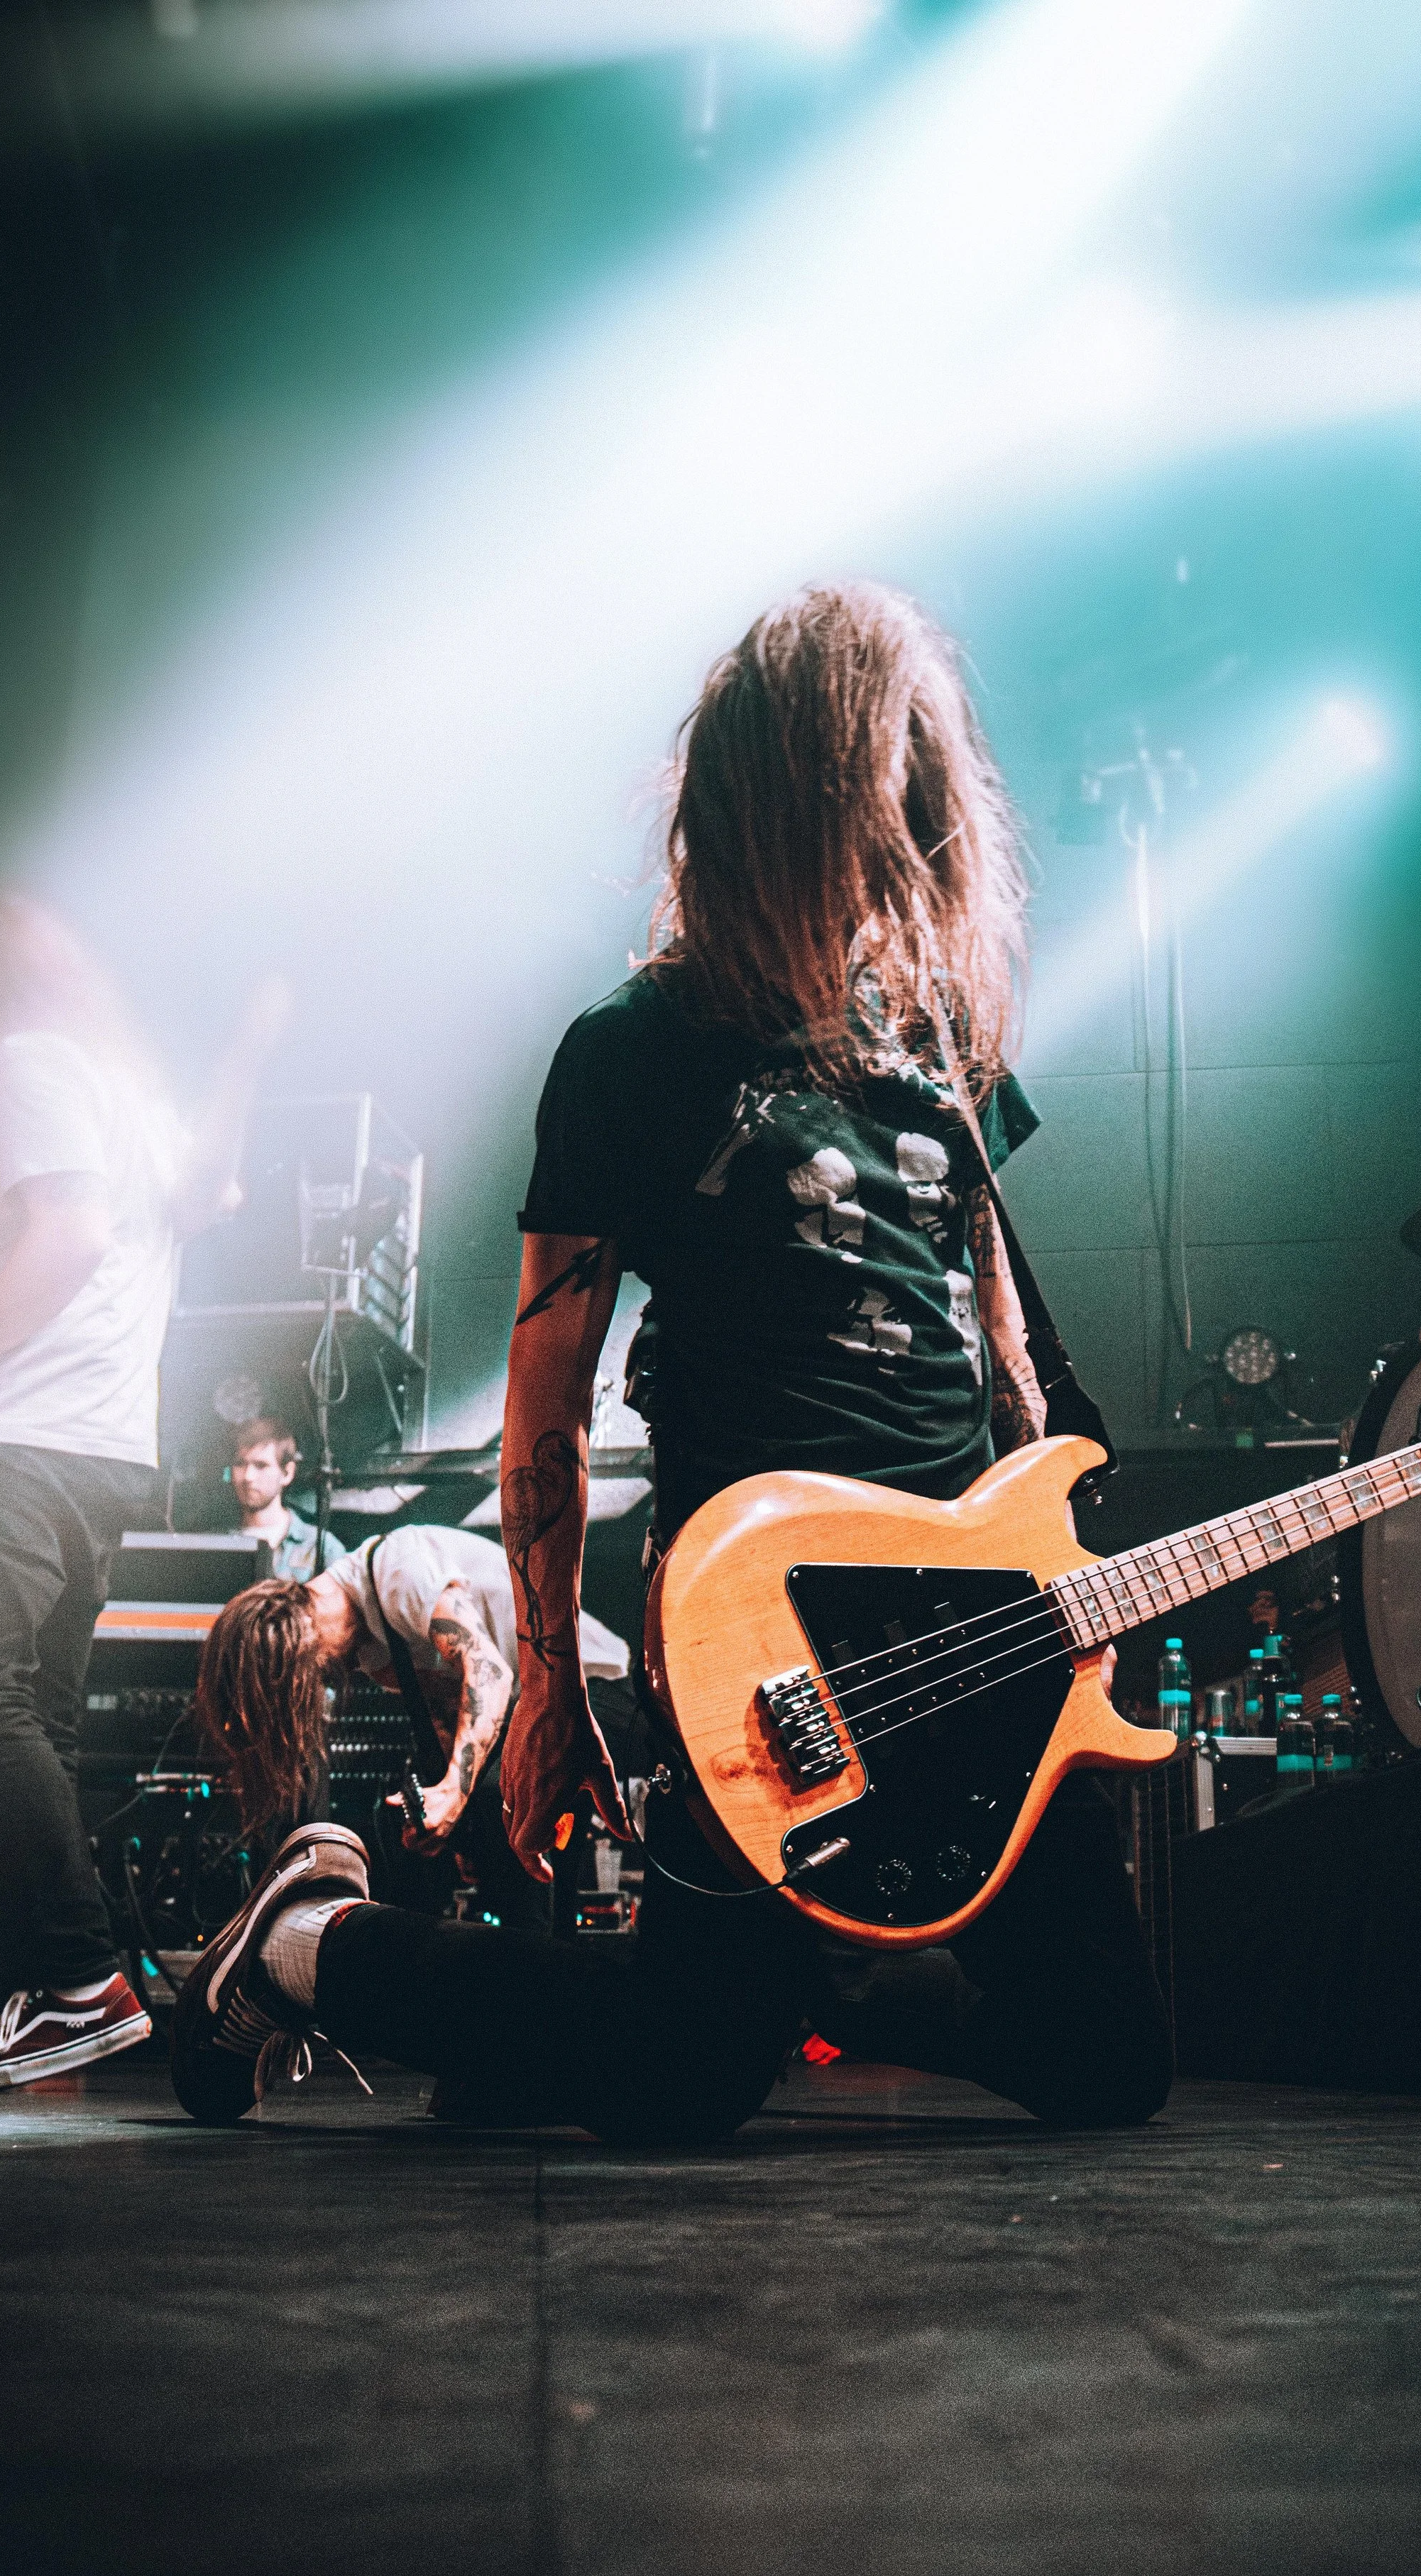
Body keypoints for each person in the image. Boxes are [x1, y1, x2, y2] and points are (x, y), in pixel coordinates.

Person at [172, 583, 1170, 2143]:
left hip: (974, 1624)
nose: (914, 834)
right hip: (758, 1620)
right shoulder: (632, 1053)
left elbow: (1008, 1354)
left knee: (1107, 2063)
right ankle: (306, 1942)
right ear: (787, 799)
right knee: (674, 2078)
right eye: (881, 791)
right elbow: (546, 1413)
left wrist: (1063, 1585)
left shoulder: (941, 1044)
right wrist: (553, 1687)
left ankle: (787, 1984)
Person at [0, 893, 290, 2091]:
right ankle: (29, 1994)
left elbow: (74, 1229)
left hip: (17, 1432)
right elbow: (211, 1194)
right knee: (34, 1721)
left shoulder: (29, 1060)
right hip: (109, 1443)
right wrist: (249, 1057)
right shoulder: (125, 1085)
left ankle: (78, 1974)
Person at [194, 1522, 629, 1936]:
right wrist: (440, 1814)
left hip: (597, 1688)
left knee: (503, 1796)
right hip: (533, 1706)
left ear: (298, 1639)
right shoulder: (373, 1653)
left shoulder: (397, 1568)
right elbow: (451, 1710)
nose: (322, 1683)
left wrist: (454, 1797)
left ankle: (539, 1974)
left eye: (310, 1675)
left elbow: (491, 1674)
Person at [224, 1414, 349, 1582]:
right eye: (240, 1464)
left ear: (287, 1473)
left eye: (261, 1465)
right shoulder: (215, 1544)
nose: (248, 1476)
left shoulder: (321, 1547)